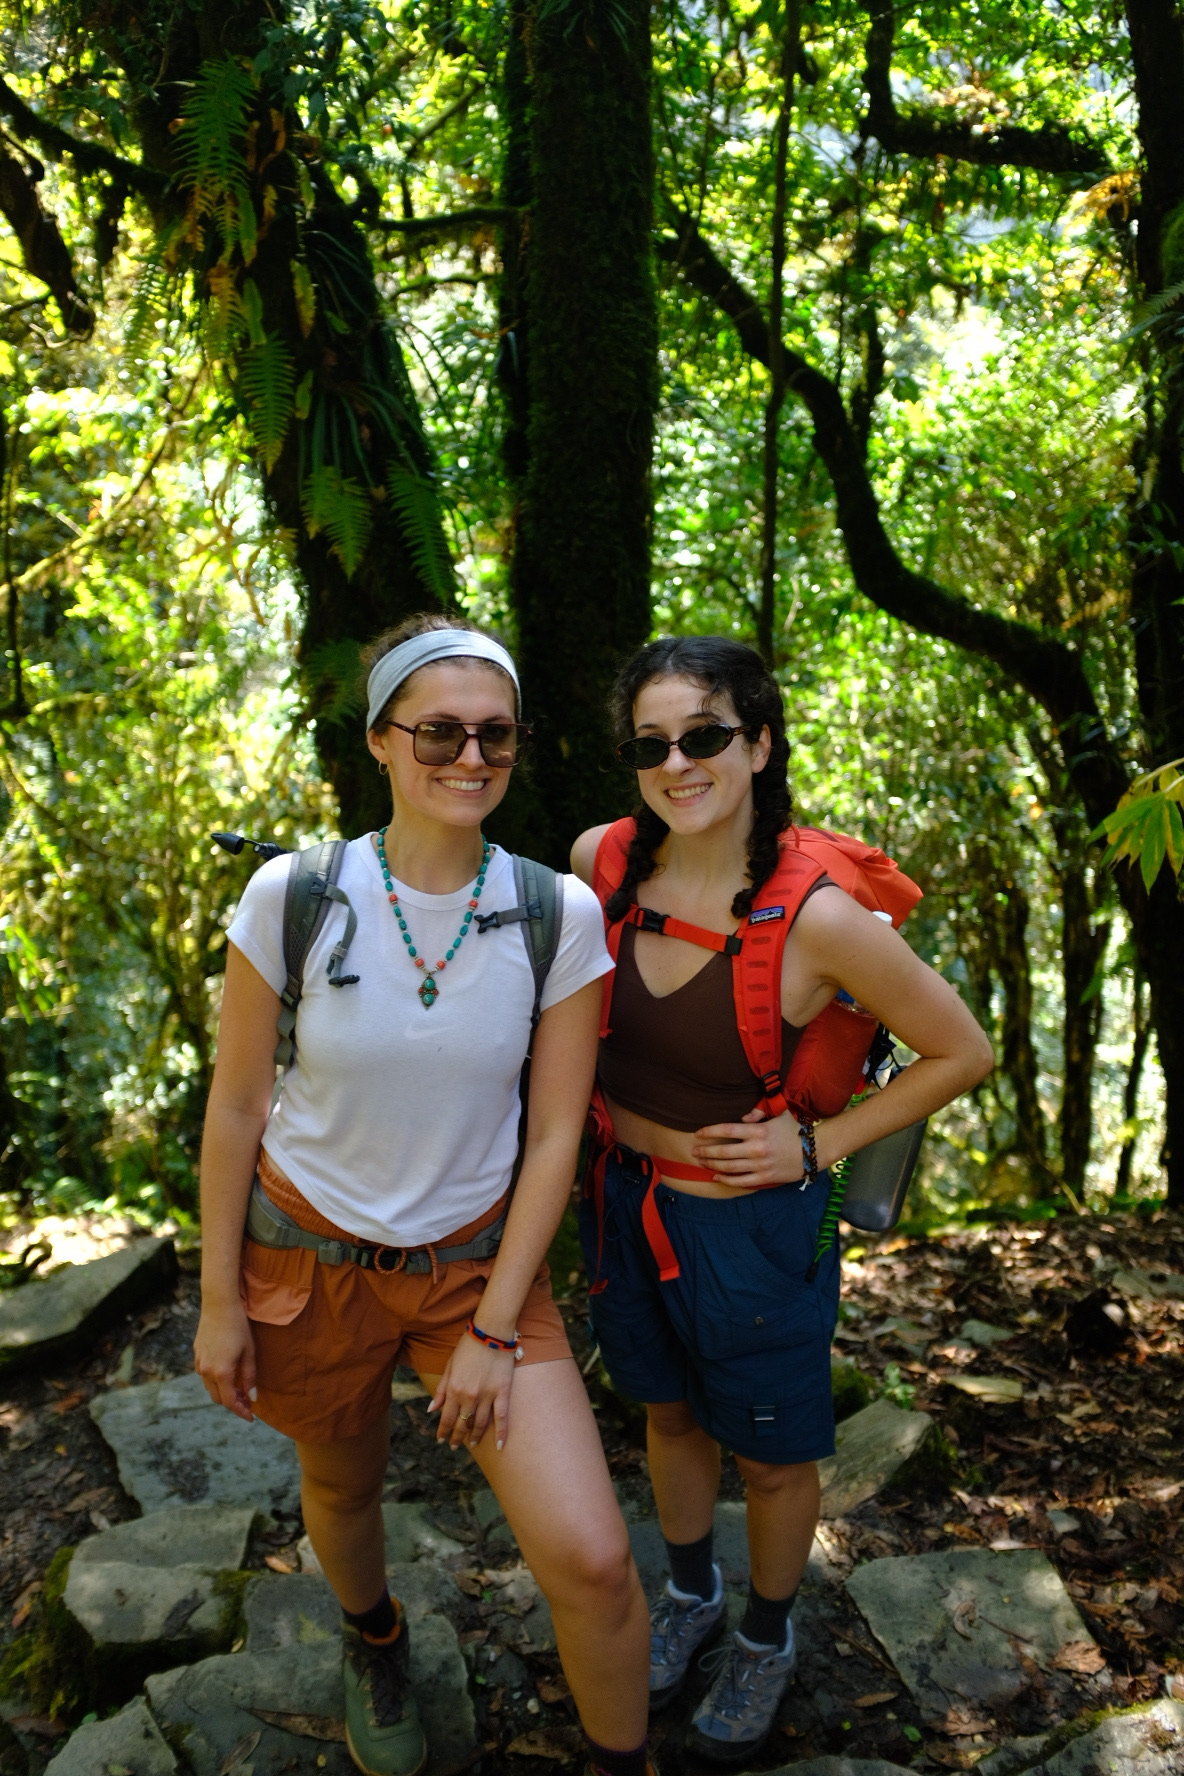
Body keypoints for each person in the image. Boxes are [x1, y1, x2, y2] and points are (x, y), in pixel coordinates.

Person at [195, 615, 650, 1776]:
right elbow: (237, 1109)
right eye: (438, 731)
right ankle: (374, 1638)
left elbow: (554, 1133)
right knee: (340, 1490)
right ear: (380, 741)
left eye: (495, 734)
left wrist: (494, 1329)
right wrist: (218, 1302)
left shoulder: (556, 913)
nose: (469, 756)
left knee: (595, 1563)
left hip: (473, 1273)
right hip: (307, 1258)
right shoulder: (294, 894)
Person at [572, 635, 993, 1762]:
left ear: (758, 745)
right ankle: (691, 1594)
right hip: (623, 1203)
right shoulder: (600, 864)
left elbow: (963, 1050)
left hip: (750, 1231)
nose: (677, 764)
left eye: (704, 736)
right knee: (665, 1412)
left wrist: (818, 1146)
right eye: (651, 745)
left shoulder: (817, 920)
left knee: (769, 1456)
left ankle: (764, 1636)